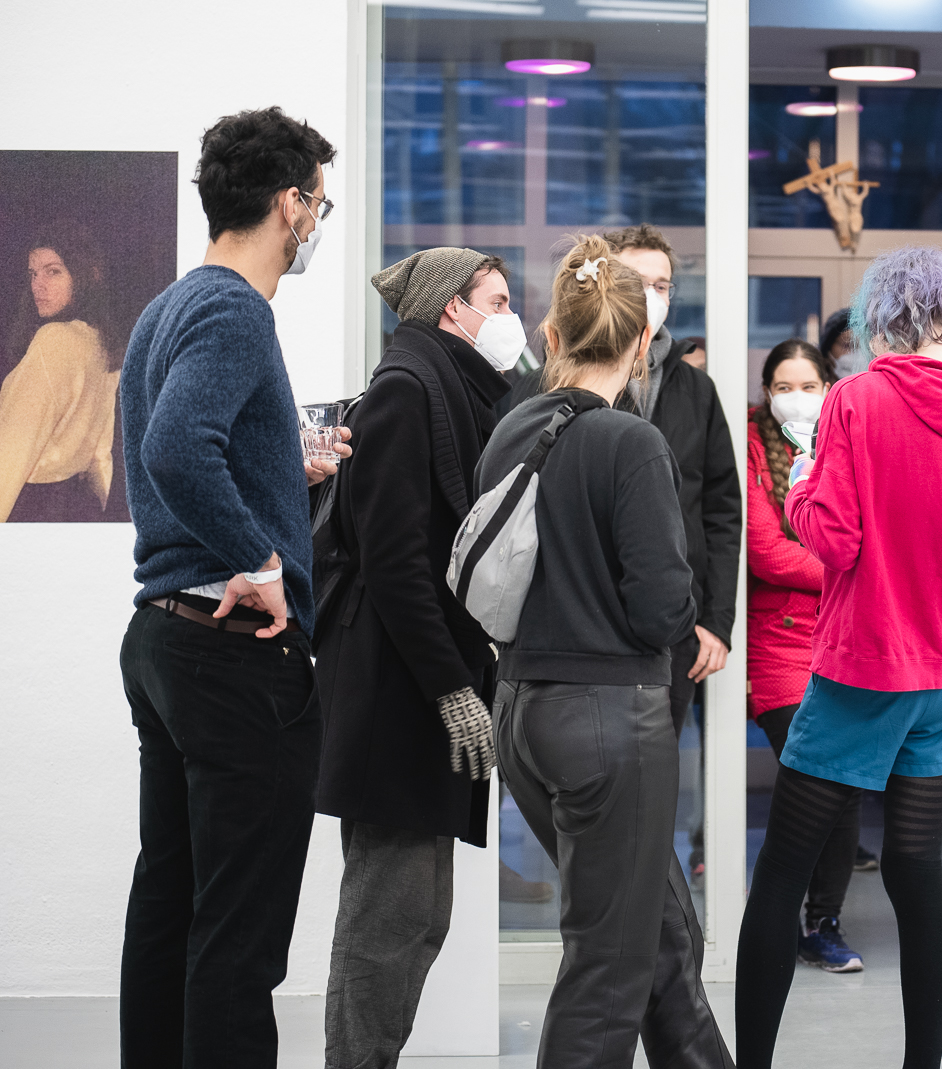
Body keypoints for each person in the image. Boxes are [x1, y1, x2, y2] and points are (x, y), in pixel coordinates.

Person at [736, 245, 942, 1069]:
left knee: (782, 874)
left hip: (861, 672)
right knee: (914, 869)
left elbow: (833, 539)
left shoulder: (857, 401)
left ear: (882, 319)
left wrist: (802, 483)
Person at [116, 107, 343, 1069]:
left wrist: (285, 471)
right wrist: (262, 558)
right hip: (232, 653)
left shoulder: (164, 309)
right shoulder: (238, 311)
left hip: (165, 641)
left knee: (169, 906)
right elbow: (176, 448)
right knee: (238, 935)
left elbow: (179, 449)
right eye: (318, 203)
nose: (317, 222)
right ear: (290, 204)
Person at [483, 235, 734, 1069]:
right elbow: (663, 608)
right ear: (640, 343)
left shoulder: (511, 431)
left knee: (658, 934)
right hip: (608, 719)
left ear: (553, 335)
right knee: (609, 964)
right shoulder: (632, 441)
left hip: (521, 708)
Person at [314, 248, 519, 1068]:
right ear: (450, 308)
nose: (509, 317)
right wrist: (450, 688)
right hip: (395, 692)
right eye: (496, 300)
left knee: (420, 913)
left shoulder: (450, 390)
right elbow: (395, 561)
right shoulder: (407, 391)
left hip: (417, 684)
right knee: (389, 916)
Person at [504, 223, 740, 739]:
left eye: (662, 285)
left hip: (669, 620)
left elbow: (722, 509)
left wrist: (714, 620)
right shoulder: (544, 391)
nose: (650, 296)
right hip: (572, 626)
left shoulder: (696, 389)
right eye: (638, 281)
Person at [746, 338, 866, 973]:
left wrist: (854, 563)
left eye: (809, 387)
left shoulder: (849, 441)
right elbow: (766, 552)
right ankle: (776, 915)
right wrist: (851, 568)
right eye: (783, 388)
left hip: (845, 640)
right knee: (816, 775)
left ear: (829, 387)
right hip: (779, 643)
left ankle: (822, 922)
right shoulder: (749, 448)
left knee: (844, 783)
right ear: (767, 393)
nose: (796, 399)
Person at [0, 223, 128, 522]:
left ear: (83, 277)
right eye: (33, 274)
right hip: (75, 504)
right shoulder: (100, 341)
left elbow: (13, 452)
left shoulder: (54, 339)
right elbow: (101, 452)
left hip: (28, 503)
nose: (38, 285)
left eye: (53, 272)